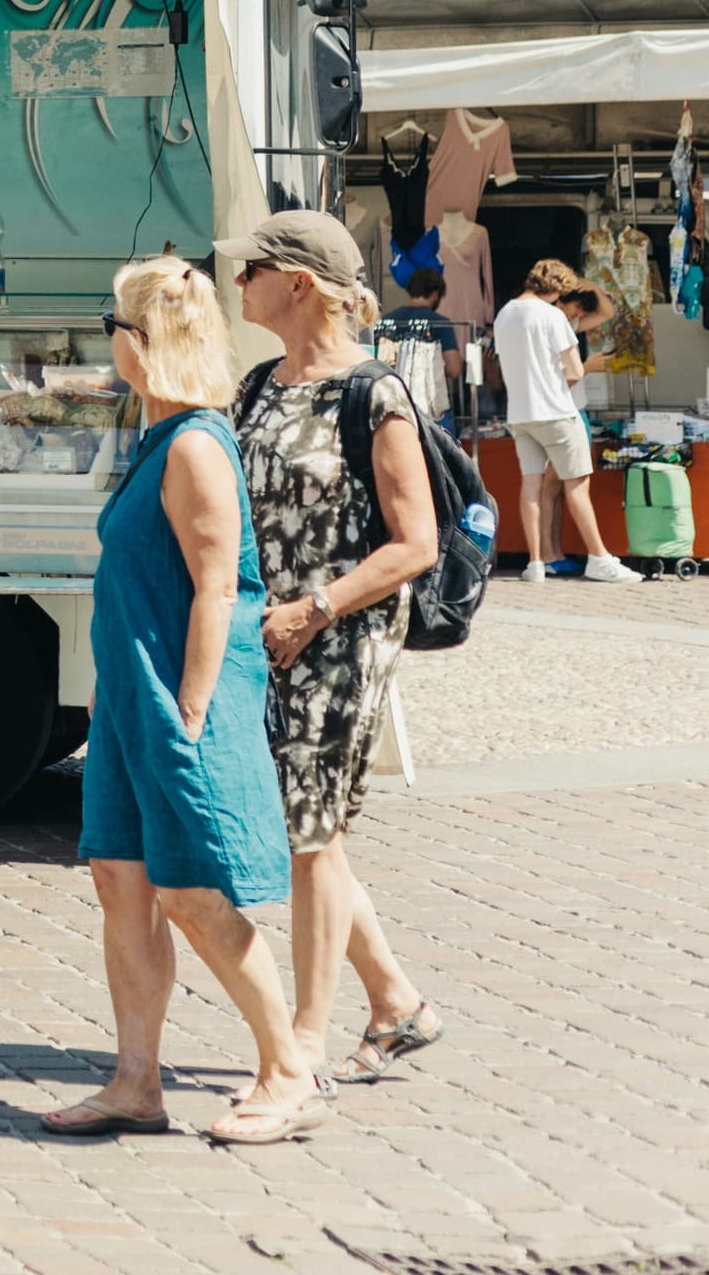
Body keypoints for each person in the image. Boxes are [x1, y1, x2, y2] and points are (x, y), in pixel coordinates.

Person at [42, 256, 325, 1147]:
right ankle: (136, 1083)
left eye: (112, 326)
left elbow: (217, 586)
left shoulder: (196, 444)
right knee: (121, 879)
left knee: (192, 890)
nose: (108, 342)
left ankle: (288, 1072)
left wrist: (193, 707)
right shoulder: (161, 435)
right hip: (135, 692)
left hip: (177, 695)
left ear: (140, 340)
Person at [221, 210, 448, 1086]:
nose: (239, 282)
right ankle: (395, 1003)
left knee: (309, 835)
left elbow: (415, 543)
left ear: (298, 284)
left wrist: (313, 610)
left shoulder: (373, 393)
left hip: (340, 639)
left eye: (251, 270)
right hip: (266, 636)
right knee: (304, 829)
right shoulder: (257, 386)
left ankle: (306, 1038)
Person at [496, 259, 633, 583]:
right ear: (558, 289)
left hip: (521, 414)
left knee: (532, 485)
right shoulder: (552, 316)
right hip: (557, 412)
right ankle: (599, 557)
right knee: (577, 485)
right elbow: (573, 371)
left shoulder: (505, 315)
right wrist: (587, 366)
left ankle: (535, 563)